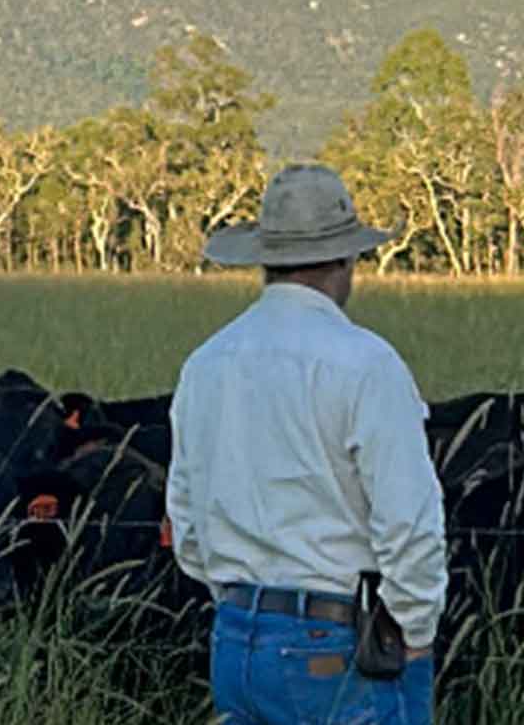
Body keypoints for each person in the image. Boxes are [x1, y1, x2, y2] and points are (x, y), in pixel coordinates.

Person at [167, 163, 447, 724]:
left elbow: (187, 524)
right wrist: (413, 631)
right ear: (346, 260)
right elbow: (409, 522)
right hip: (336, 643)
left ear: (265, 261)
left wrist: (238, 604)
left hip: (237, 636)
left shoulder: (205, 365)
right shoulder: (368, 364)